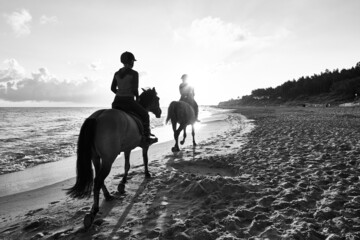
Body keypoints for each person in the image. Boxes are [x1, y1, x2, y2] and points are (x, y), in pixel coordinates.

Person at [111, 51, 157, 144]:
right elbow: (135, 90)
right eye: (133, 61)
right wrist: (137, 98)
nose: (133, 63)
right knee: (145, 114)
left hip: (116, 102)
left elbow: (112, 88)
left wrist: (120, 93)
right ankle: (146, 137)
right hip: (129, 101)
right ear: (131, 61)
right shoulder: (134, 73)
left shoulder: (116, 73)